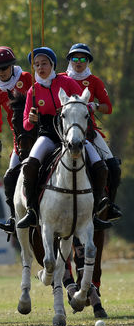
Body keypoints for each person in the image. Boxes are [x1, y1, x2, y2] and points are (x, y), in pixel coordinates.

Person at [16, 47, 111, 230]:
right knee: (30, 164)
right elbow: (26, 124)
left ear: (52, 64)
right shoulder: (32, 91)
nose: (40, 67)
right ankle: (31, 210)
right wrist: (31, 120)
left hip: (71, 133)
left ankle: (95, 211)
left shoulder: (66, 82)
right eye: (37, 65)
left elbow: (82, 106)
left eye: (44, 63)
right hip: (48, 135)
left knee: (100, 166)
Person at [60, 43, 121, 221]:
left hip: (89, 133)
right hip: (64, 132)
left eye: (83, 59)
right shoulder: (61, 79)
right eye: (75, 58)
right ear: (70, 60)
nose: (78, 62)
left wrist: (94, 105)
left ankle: (108, 205)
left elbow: (108, 107)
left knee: (113, 167)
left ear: (88, 62)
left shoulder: (94, 81)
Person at [0, 46, 33, 233]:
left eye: (4, 68)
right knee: (9, 177)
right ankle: (14, 217)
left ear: (12, 66)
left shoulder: (27, 78)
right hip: (19, 139)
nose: (1, 72)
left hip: (39, 131)